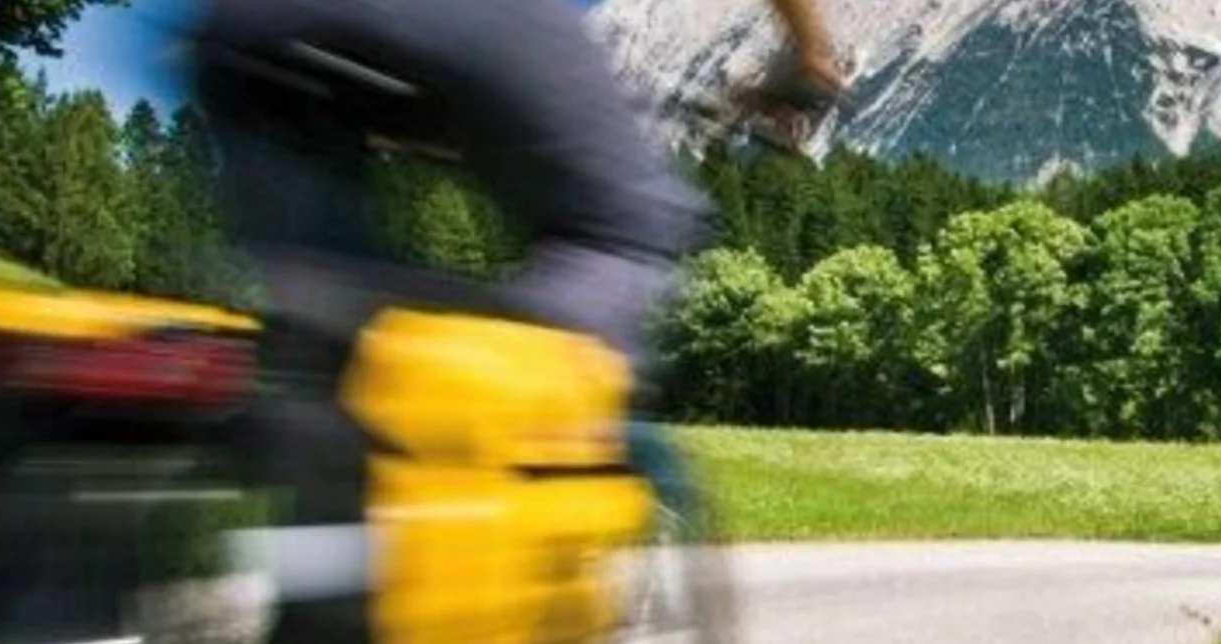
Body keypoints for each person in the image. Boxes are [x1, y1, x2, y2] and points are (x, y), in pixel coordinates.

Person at [182, 0, 846, 642]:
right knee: (630, 228)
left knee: (327, 327)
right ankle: (516, 460)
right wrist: (811, 54)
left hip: (244, 28)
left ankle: (331, 570)